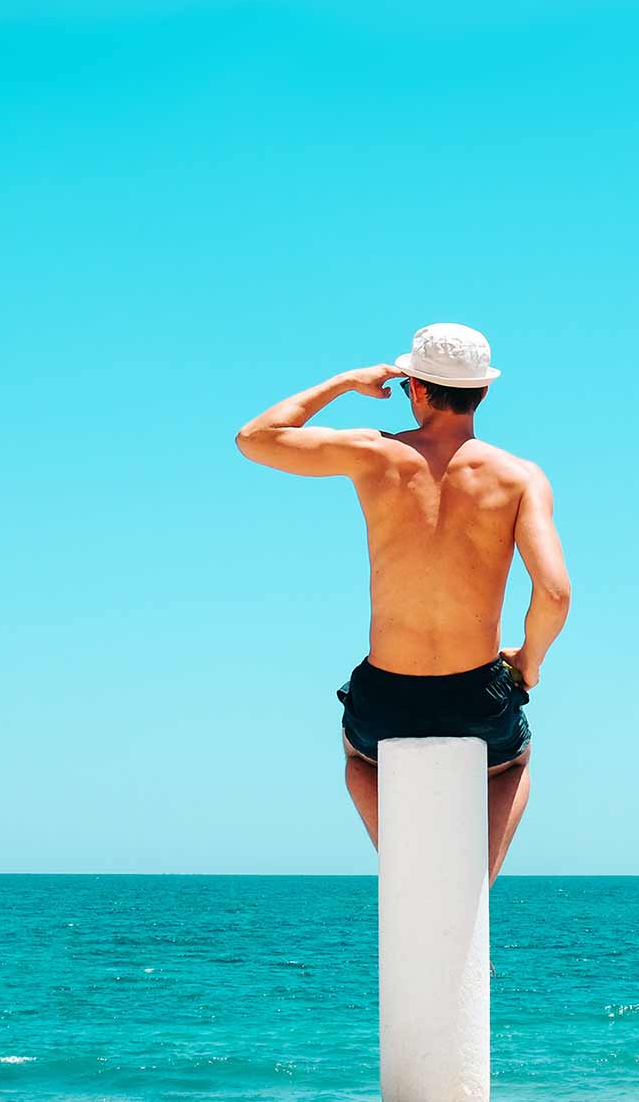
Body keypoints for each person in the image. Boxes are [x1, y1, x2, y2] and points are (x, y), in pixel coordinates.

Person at [235, 323, 570, 881]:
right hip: (476, 696)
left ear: (415, 387)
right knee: (513, 765)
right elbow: (555, 593)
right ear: (483, 392)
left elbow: (256, 437)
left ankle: (406, 871)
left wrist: (346, 381)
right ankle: (475, 884)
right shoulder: (520, 477)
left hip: (386, 697)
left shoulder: (373, 453)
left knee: (358, 762)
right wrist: (528, 665)